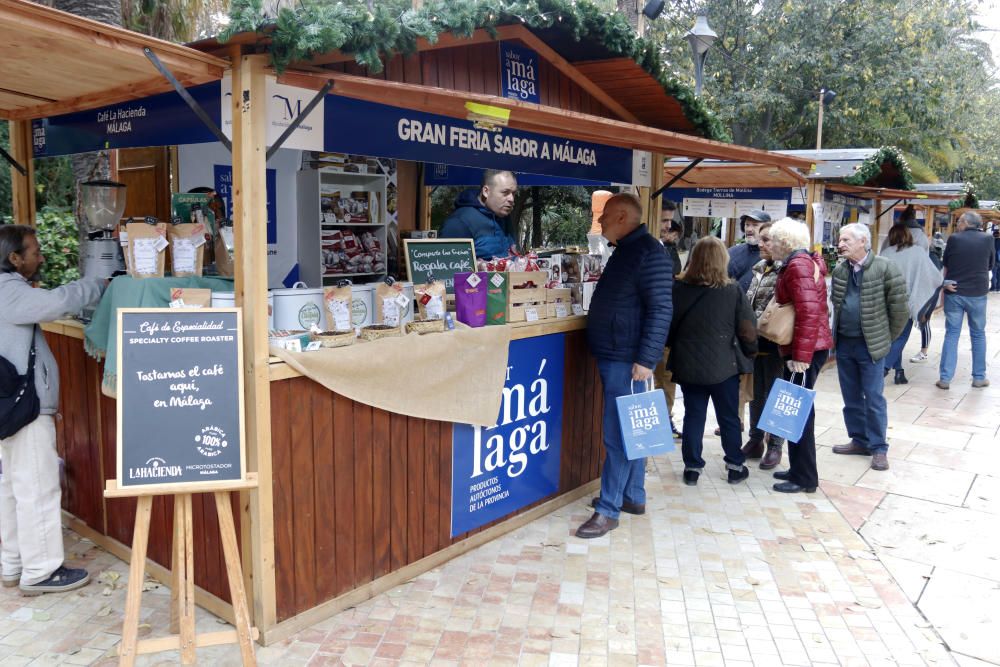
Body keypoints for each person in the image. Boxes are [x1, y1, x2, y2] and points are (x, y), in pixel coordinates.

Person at [0, 225, 106, 594]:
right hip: (24, 407)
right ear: (14, 258)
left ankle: (14, 565)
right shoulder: (8, 291)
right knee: (37, 487)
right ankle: (42, 572)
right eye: (34, 250)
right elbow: (59, 302)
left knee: (12, 487)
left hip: (9, 405)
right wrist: (99, 280)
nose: (41, 256)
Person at [577, 193, 672, 539]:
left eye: (604, 218)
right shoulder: (630, 250)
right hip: (617, 353)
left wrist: (646, 360)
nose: (600, 224)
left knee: (618, 434)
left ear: (620, 218)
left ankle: (608, 509)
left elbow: (662, 309)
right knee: (632, 430)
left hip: (628, 358)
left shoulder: (648, 252)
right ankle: (632, 496)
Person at [668, 236, 757, 487]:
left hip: (688, 364)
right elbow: (747, 329)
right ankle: (734, 466)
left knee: (693, 416)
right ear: (722, 260)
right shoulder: (732, 290)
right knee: (728, 416)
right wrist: (750, 352)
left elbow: (668, 326)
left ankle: (692, 468)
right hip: (724, 365)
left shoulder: (679, 289)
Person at [830, 223, 908, 471]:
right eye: (840, 240)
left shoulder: (885, 267)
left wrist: (885, 339)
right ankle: (859, 440)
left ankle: (878, 448)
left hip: (870, 346)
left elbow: (900, 311)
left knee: (873, 397)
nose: (840, 244)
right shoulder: (840, 270)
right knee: (850, 397)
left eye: (846, 240)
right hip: (845, 344)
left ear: (863, 241)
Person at [766, 218, 833, 493]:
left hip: (806, 349)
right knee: (796, 410)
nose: (768, 245)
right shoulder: (803, 262)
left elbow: (808, 313)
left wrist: (801, 356)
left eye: (771, 240)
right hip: (806, 347)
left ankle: (805, 478)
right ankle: (798, 469)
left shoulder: (798, 266)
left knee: (799, 413)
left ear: (784, 242)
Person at [742, 222, 786, 470]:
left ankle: (776, 445)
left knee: (776, 394)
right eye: (760, 239)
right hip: (756, 341)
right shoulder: (759, 268)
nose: (761, 244)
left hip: (777, 342)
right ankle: (756, 439)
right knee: (756, 393)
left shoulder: (786, 270)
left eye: (767, 239)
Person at [879, 224, 943, 384]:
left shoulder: (885, 253)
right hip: (906, 304)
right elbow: (934, 277)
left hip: (886, 303)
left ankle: (899, 372)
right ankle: (883, 369)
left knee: (892, 337)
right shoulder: (918, 253)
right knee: (900, 339)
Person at [937, 211, 994, 389]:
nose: (957, 225)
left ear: (965, 223)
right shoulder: (988, 239)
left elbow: (946, 262)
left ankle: (945, 379)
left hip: (955, 292)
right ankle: (979, 377)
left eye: (959, 222)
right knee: (978, 334)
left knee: (952, 334)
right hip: (978, 293)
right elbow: (991, 264)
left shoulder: (954, 239)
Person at [439, 170, 518, 259]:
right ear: (486, 191)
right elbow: (448, 266)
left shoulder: (504, 217)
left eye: (513, 193)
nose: (511, 199)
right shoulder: (459, 222)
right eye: (505, 192)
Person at [654, 215, 684, 439]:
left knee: (666, 377)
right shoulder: (652, 249)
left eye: (670, 228)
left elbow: (674, 270)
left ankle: (664, 419)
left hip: (667, 329)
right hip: (654, 327)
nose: (668, 230)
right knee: (655, 377)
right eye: (665, 223)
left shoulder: (668, 250)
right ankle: (656, 421)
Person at [728, 210, 771, 293]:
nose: (749, 229)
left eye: (755, 225)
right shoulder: (731, 252)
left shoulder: (773, 256)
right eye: (747, 225)